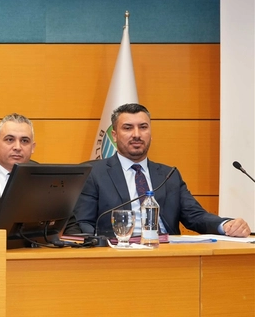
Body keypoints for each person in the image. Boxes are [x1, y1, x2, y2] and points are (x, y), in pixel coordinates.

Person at [73, 102, 251, 238]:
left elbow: (195, 216)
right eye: (128, 128)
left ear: (150, 133)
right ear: (114, 135)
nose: (137, 134)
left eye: (143, 127)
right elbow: (83, 224)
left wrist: (226, 225)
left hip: (167, 252)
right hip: (117, 255)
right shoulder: (93, 173)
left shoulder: (169, 175)